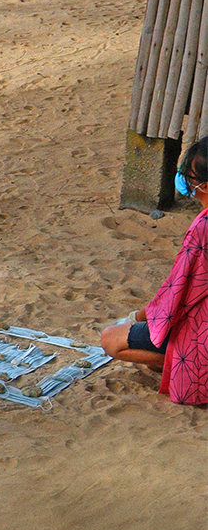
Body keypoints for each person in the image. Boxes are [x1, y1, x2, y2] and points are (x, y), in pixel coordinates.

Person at [100, 136, 208, 404]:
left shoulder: (203, 228)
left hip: (202, 331)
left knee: (111, 339)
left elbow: (178, 292)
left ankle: (184, 365)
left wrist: (135, 317)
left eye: (191, 178)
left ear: (204, 185)